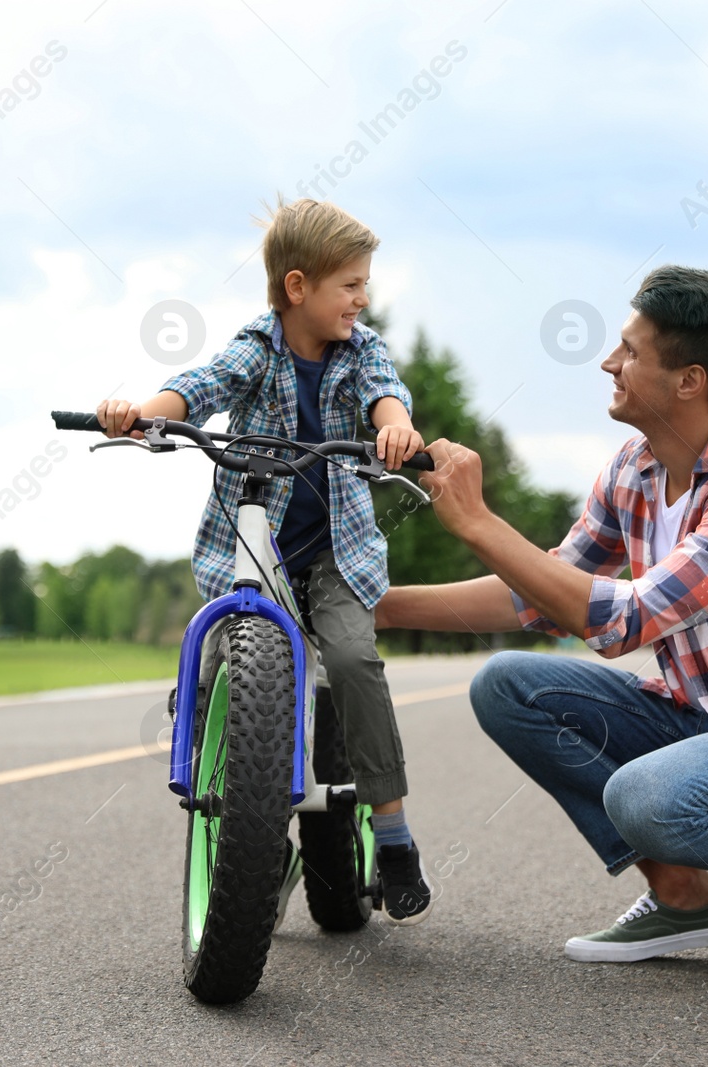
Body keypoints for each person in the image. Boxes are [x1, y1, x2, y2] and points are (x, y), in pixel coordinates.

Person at [375, 265, 708, 979]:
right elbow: (538, 596)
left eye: (631, 350)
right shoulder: (636, 469)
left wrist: (478, 521)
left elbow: (629, 621)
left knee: (643, 796)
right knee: (506, 686)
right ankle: (685, 896)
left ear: (689, 379)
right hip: (703, 718)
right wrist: (371, 604)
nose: (609, 362)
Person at [96, 198, 434, 924]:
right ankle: (247, 829)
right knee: (218, 666)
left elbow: (386, 398)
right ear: (297, 287)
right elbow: (203, 383)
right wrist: (144, 415)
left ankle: (397, 834)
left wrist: (398, 430)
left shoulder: (361, 349)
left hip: (336, 556)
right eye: (350, 284)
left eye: (365, 284)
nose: (362, 298)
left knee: (349, 661)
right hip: (252, 550)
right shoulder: (258, 345)